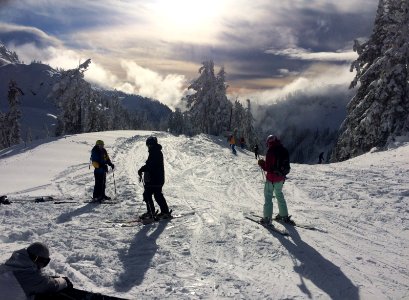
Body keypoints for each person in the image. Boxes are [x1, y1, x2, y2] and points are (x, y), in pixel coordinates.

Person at [0, 242, 73, 299]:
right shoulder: (31, 277)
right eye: (45, 262)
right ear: (38, 260)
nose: (42, 267)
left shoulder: (4, 267)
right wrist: (64, 280)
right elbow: (52, 285)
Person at [257, 135, 293, 225]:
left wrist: (262, 164)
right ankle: (283, 216)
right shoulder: (283, 149)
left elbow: (268, 168)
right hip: (280, 178)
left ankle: (267, 219)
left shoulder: (271, 152)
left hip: (271, 179)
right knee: (279, 195)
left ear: (269, 142)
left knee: (268, 197)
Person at [138, 136, 171, 220]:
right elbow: (150, 165)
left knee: (150, 194)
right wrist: (143, 169)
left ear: (153, 144)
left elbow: (151, 166)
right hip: (155, 178)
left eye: (150, 145)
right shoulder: (154, 152)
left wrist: (142, 169)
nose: (148, 146)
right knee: (154, 194)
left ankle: (155, 212)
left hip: (155, 178)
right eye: (148, 145)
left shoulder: (156, 152)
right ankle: (161, 211)